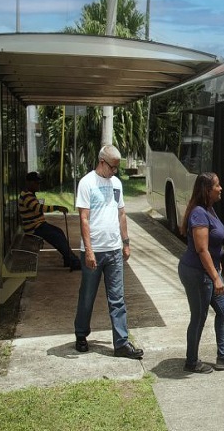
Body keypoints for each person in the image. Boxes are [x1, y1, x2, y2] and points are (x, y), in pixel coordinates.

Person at [73, 145, 143, 359]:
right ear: (102, 162)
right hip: (94, 251)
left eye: (117, 168)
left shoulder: (116, 184)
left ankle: (121, 343)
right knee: (87, 296)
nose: (115, 171)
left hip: (114, 251)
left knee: (117, 299)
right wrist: (89, 251)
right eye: (113, 166)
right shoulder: (87, 183)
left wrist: (126, 242)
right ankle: (81, 334)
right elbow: (84, 218)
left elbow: (122, 214)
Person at [178, 172, 224, 373]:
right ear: (208, 190)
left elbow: (212, 246)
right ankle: (191, 361)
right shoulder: (199, 213)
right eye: (218, 185)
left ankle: (223, 357)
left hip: (210, 270)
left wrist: (217, 265)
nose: (221, 188)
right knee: (198, 316)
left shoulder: (209, 209)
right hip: (197, 273)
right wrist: (215, 277)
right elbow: (201, 249)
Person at [19, 171, 81, 271]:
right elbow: (39, 208)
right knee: (57, 238)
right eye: (36, 183)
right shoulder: (26, 196)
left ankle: (68, 258)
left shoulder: (30, 194)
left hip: (39, 225)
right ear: (29, 183)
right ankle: (73, 261)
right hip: (35, 228)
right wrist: (57, 207)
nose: (38, 185)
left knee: (59, 233)